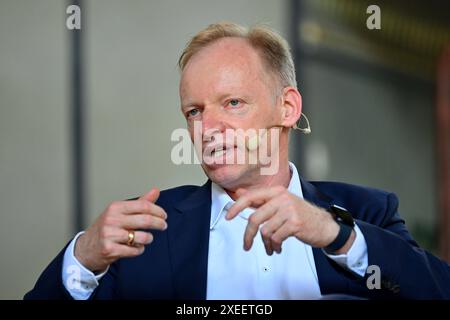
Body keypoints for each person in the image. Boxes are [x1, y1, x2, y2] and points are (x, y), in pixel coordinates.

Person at [25, 22, 450, 300]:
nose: (208, 127)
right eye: (194, 111)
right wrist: (83, 256)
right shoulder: (147, 231)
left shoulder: (368, 212)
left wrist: (335, 234)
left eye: (232, 102)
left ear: (286, 108)